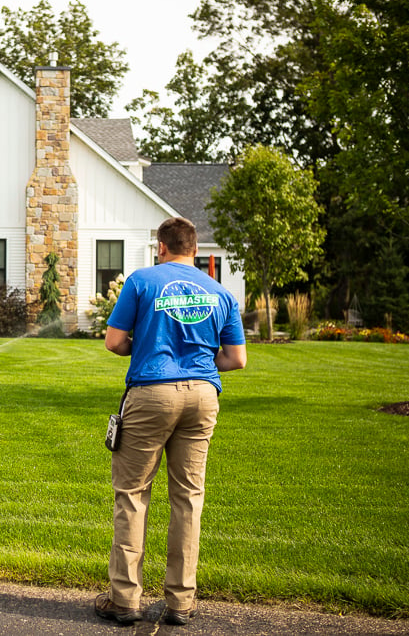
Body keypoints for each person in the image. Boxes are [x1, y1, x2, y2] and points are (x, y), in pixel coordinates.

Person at [95, 217, 247, 626]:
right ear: (195, 250)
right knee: (188, 497)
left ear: (161, 247)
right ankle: (181, 602)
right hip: (202, 396)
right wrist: (195, 362)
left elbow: (113, 341)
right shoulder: (220, 293)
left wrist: (149, 347)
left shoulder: (142, 281)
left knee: (132, 494)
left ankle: (124, 599)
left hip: (152, 392)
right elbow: (236, 359)